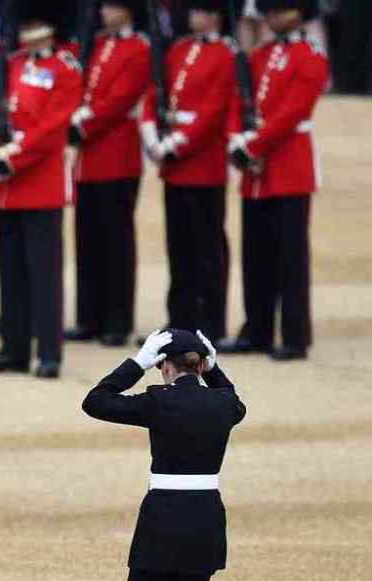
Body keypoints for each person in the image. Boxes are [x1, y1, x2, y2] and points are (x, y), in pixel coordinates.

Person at [81, 328, 246, 581]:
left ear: (165, 367)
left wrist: (136, 363)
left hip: (164, 521)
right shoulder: (224, 403)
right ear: (202, 365)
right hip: (207, 521)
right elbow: (234, 400)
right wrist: (215, 366)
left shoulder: (160, 399)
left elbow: (95, 402)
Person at [0, 0, 82, 380]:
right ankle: (14, 347)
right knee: (12, 271)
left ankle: (49, 353)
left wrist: (10, 157)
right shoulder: (12, 66)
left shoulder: (64, 69)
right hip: (6, 184)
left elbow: (52, 129)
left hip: (40, 184)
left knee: (43, 274)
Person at [217, 0, 328, 362]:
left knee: (290, 257)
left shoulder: (310, 55)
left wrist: (254, 143)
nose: (272, 17)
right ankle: (258, 328)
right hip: (256, 170)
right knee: (256, 254)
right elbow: (239, 99)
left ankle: (295, 335)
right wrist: (237, 137)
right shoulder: (259, 55)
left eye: (279, 10)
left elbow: (293, 111)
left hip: (289, 166)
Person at [140, 0, 237, 342]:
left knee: (207, 250)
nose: (194, 16)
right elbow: (156, 93)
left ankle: (210, 321)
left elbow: (213, 110)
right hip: (175, 167)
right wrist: (152, 136)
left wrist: (175, 143)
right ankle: (179, 319)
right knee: (178, 248)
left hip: (203, 165)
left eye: (201, 11)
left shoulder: (227, 55)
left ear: (215, 15)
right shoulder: (178, 49)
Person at [66, 0, 150, 349]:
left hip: (117, 155)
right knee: (88, 240)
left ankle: (117, 320)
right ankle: (90, 316)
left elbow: (119, 100)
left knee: (116, 243)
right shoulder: (96, 44)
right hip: (87, 159)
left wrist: (80, 123)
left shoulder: (139, 48)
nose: (104, 12)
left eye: (112, 6)